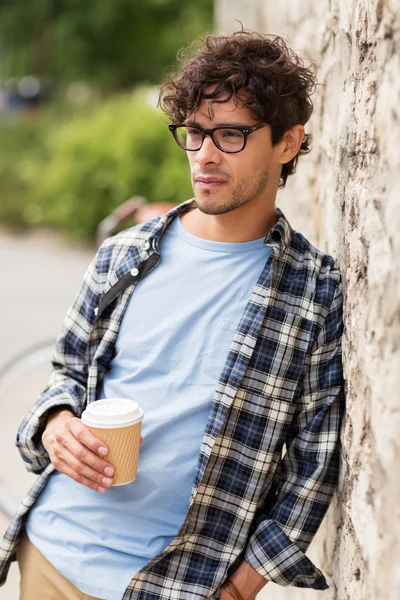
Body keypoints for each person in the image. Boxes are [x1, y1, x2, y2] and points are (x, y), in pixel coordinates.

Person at [0, 30, 344, 600]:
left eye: (231, 134)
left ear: (288, 143)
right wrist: (55, 423)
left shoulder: (313, 290)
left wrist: (243, 585)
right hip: (53, 557)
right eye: (194, 133)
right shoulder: (125, 254)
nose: (205, 155)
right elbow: (66, 370)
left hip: (177, 583)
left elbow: (315, 459)